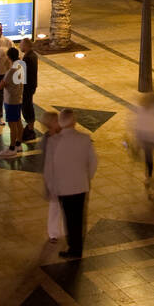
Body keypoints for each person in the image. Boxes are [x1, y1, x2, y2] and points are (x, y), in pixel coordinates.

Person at [43, 109, 98, 259]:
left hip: (63, 187)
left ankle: (73, 247)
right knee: (79, 218)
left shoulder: (54, 141)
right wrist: (86, 177)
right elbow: (93, 162)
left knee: (69, 217)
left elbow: (49, 168)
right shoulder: (85, 139)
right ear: (74, 122)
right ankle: (77, 248)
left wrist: (51, 186)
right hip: (81, 186)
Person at [37, 111, 65, 242]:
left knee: (64, 206)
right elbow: (46, 163)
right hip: (54, 179)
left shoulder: (62, 136)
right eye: (56, 121)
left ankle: (64, 230)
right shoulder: (47, 140)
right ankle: (53, 232)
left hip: (64, 178)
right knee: (55, 206)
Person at [131, 89, 154, 190]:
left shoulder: (142, 107)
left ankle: (148, 176)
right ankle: (149, 176)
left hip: (143, 135)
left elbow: (136, 122)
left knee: (147, 156)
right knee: (149, 157)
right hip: (152, 136)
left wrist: (135, 134)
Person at [0, 47, 25, 157]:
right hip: (18, 98)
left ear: (8, 57)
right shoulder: (21, 67)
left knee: (12, 125)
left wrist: (1, 81)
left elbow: (0, 86)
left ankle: (12, 148)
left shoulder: (11, 71)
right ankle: (19, 144)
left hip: (11, 101)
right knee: (18, 122)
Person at [19, 37, 39, 140]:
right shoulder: (33, 55)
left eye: (21, 44)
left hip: (27, 87)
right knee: (28, 105)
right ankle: (30, 127)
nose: (19, 46)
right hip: (31, 85)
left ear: (26, 46)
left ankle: (30, 129)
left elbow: (22, 74)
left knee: (27, 107)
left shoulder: (28, 58)